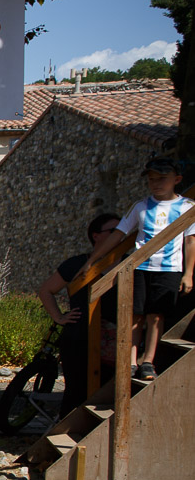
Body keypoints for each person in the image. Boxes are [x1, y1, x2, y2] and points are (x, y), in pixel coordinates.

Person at [83, 158, 194, 380]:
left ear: (177, 180)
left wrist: (189, 273)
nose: (156, 184)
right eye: (152, 180)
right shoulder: (141, 206)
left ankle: (148, 361)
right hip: (141, 267)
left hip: (170, 269)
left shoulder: (187, 207)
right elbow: (118, 234)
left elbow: (191, 241)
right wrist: (92, 260)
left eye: (162, 179)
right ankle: (131, 361)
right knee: (136, 314)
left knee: (156, 316)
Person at [36, 212, 120, 415]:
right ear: (96, 235)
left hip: (114, 338)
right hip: (79, 336)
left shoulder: (128, 261)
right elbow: (45, 290)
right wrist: (59, 317)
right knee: (76, 391)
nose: (121, 234)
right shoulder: (76, 263)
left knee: (110, 392)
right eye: (114, 231)